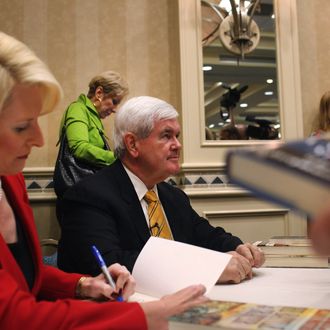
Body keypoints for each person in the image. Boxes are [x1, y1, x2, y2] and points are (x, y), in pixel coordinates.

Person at [0, 32, 207, 329]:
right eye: (22, 127)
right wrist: (144, 315)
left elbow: (24, 273)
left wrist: (83, 284)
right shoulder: (89, 182)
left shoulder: (11, 180)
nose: (40, 138)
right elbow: (14, 316)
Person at [57, 96, 265, 284]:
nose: (178, 145)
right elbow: (110, 264)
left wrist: (238, 248)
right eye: (166, 136)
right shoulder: (89, 196)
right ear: (132, 144)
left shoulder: (172, 196)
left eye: (177, 136)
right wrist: (206, 268)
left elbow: (206, 235)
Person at [53, 70, 129, 198]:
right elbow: (79, 148)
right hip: (78, 194)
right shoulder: (78, 109)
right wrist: (119, 158)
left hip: (88, 189)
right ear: (99, 93)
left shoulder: (93, 116)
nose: (115, 109)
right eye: (114, 101)